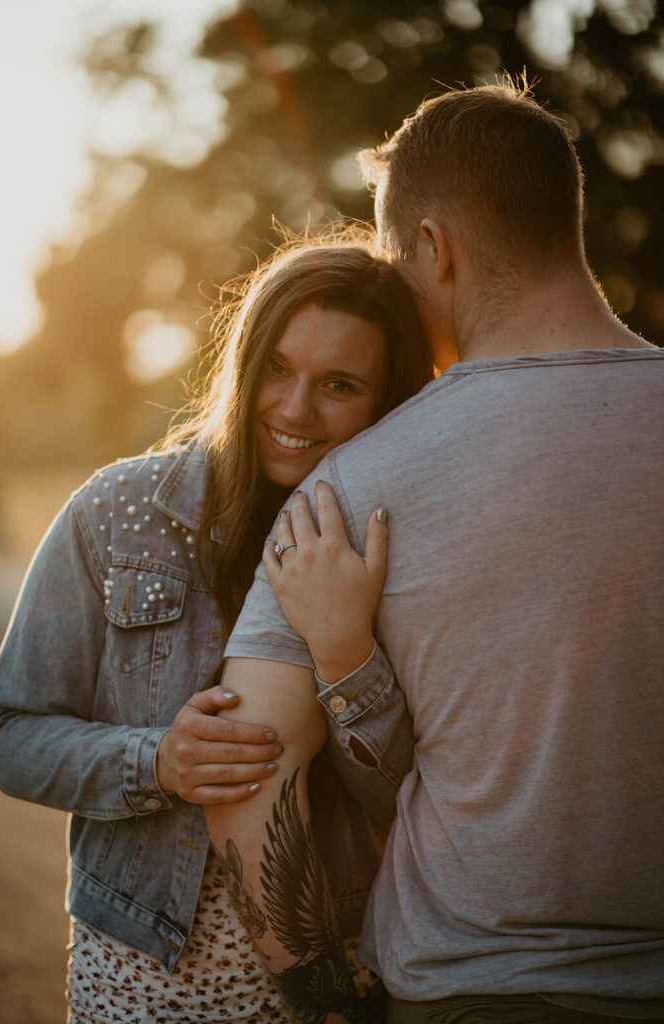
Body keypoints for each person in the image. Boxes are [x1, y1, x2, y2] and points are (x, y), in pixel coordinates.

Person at [205, 80, 664, 1023]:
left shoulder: (352, 486)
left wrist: (328, 1000)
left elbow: (247, 772)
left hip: (469, 989)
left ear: (433, 248)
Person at [0, 239, 434, 1023]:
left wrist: (343, 654)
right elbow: (7, 736)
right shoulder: (114, 514)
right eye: (277, 369)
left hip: (336, 975)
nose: (295, 410)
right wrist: (154, 760)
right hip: (142, 975)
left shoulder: (398, 551)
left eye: (338, 384)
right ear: (243, 362)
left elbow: (406, 794)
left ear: (384, 401)